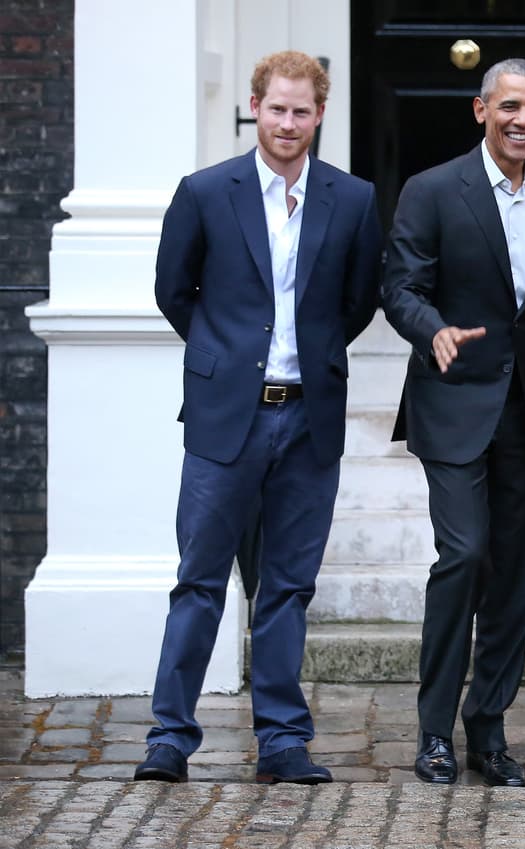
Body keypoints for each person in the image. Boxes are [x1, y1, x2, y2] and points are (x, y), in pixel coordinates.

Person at [136, 51, 383, 784]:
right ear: (255, 106)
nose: (287, 122)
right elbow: (174, 290)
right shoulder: (208, 191)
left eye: (301, 111)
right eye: (276, 108)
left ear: (319, 114)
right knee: (199, 580)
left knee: (286, 586)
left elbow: (357, 300)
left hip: (309, 420)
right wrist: (225, 359)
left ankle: (281, 739)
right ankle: (170, 737)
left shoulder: (355, 198)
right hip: (225, 419)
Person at [381, 58, 525, 788]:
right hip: (454, 402)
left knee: (514, 579)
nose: (521, 119)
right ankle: (433, 730)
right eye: (508, 106)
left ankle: (486, 730)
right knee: (463, 556)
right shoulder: (433, 190)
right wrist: (429, 328)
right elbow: (399, 283)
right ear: (480, 110)